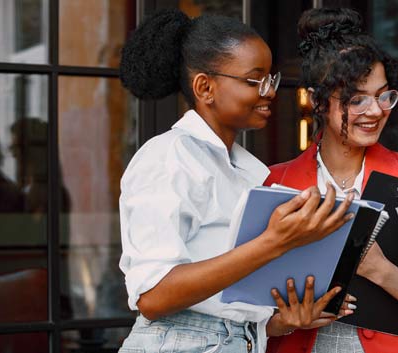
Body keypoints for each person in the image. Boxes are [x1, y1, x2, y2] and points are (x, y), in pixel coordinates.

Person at [117, 9, 355, 353]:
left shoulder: (250, 172)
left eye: (270, 80)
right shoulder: (169, 158)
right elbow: (153, 297)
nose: (270, 92)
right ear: (205, 87)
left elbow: (226, 306)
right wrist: (275, 242)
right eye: (254, 80)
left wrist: (284, 322)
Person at [265, 7, 398, 353]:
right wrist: (285, 321)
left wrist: (381, 271)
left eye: (383, 95)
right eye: (356, 99)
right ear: (318, 100)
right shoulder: (276, 183)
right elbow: (246, 311)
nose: (375, 111)